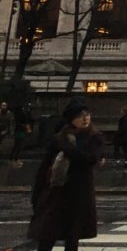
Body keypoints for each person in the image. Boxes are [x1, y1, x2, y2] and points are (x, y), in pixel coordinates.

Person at [28, 99, 104, 251]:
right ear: (71, 118)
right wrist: (37, 194)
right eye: (81, 115)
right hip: (57, 190)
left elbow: (90, 159)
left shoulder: (93, 137)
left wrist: (68, 148)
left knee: (72, 234)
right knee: (47, 231)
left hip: (79, 192)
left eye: (87, 114)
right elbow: (45, 166)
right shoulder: (59, 138)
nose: (85, 118)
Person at [10, 102, 35, 168]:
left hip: (20, 130)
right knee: (18, 145)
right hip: (20, 130)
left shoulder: (20, 113)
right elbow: (22, 122)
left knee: (18, 145)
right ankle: (13, 160)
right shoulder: (19, 113)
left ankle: (15, 159)